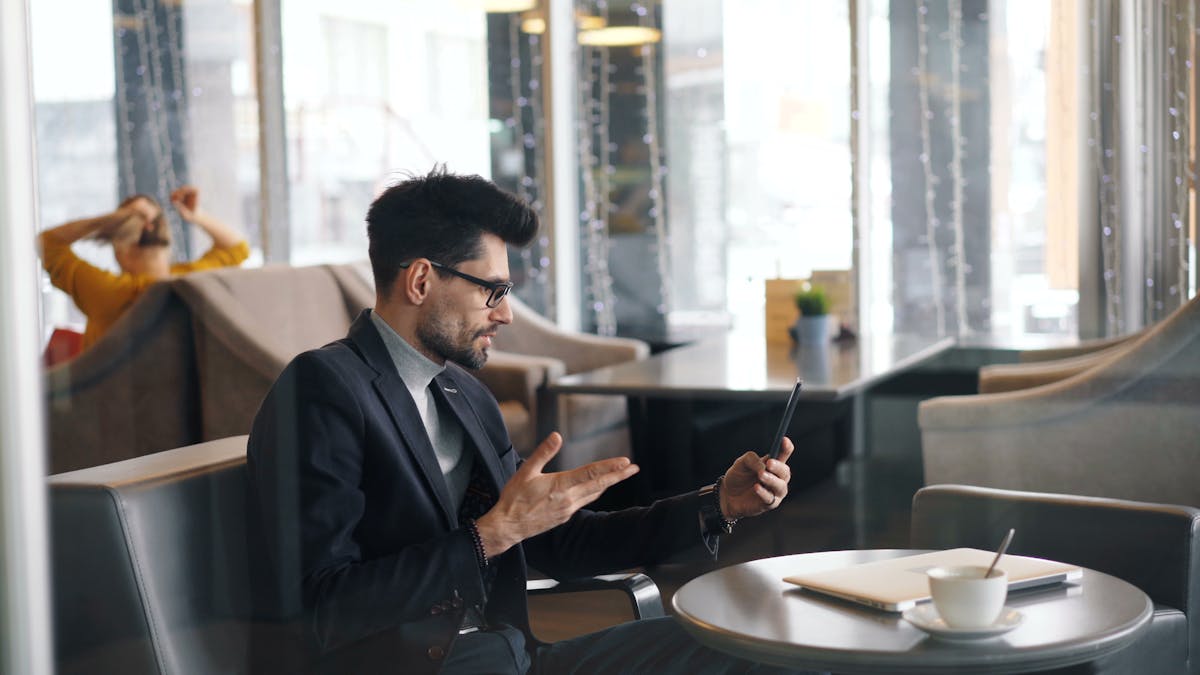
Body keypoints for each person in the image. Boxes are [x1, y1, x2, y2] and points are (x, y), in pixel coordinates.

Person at [246, 168, 800, 674]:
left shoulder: (464, 394)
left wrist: (716, 504)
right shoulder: (324, 389)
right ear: (420, 281)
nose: (505, 312)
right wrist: (492, 534)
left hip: (512, 656)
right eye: (492, 290)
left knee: (752, 650)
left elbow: (558, 544)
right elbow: (321, 605)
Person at [39, 185, 249, 351]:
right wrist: (197, 216)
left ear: (120, 248)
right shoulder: (192, 281)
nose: (147, 222)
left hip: (112, 403)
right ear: (168, 238)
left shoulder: (108, 293)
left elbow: (48, 243)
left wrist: (110, 222)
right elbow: (237, 248)